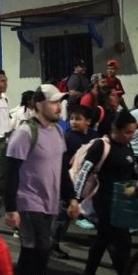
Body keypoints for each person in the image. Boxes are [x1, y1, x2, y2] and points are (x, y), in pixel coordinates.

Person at [4, 84, 78, 275]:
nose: (58, 107)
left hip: (50, 203)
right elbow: (11, 173)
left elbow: (62, 169)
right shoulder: (25, 133)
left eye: (60, 102)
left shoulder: (57, 131)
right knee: (41, 252)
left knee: (31, 252)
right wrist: (11, 208)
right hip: (28, 202)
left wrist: (72, 198)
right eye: (53, 102)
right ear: (38, 105)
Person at [74, 111, 138, 275]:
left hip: (121, 202)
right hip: (105, 202)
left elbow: (134, 171)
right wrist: (75, 200)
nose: (131, 136)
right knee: (122, 243)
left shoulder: (127, 146)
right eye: (128, 132)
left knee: (102, 240)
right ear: (115, 129)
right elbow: (83, 173)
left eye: (133, 132)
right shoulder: (101, 146)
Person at [51, 105, 97, 259]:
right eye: (71, 118)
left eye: (78, 119)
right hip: (68, 181)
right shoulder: (67, 137)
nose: (73, 122)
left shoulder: (94, 137)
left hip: (86, 183)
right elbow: (61, 162)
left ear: (88, 121)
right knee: (62, 216)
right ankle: (53, 244)